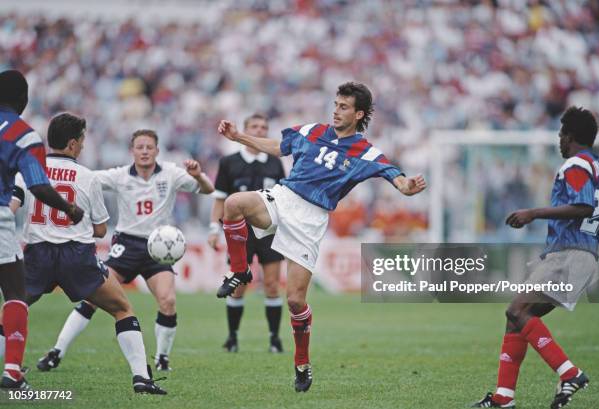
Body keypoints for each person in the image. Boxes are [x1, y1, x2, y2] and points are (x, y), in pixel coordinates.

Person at [215, 82, 427, 392]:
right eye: (336, 104)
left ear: (359, 114)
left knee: (295, 300)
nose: (336, 111)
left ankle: (302, 365)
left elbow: (395, 177)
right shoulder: (314, 130)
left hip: (311, 219)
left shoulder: (365, 152)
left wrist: (407, 186)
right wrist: (239, 137)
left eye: (343, 107)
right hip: (284, 196)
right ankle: (239, 270)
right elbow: (279, 146)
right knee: (234, 204)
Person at [11, 113, 166, 394]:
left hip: (37, 255)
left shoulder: (29, 169)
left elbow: (12, 207)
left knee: (12, 309)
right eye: (81, 140)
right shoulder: (88, 177)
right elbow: (100, 230)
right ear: (72, 144)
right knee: (122, 309)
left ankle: (11, 369)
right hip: (76, 256)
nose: (83, 145)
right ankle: (141, 378)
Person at [37, 128, 214, 372]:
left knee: (168, 300)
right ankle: (57, 351)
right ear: (132, 151)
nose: (144, 151)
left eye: (149, 147)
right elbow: (86, 179)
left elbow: (207, 189)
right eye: (139, 147)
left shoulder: (171, 173)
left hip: (158, 247)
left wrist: (199, 175)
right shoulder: (119, 176)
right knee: (92, 298)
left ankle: (162, 358)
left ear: (157, 150)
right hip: (126, 245)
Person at [473, 107, 599, 409]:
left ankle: (570, 372)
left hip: (568, 254)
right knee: (517, 317)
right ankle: (503, 397)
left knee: (517, 311)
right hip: (583, 255)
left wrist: (533, 213)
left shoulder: (575, 164)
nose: (559, 141)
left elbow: (584, 207)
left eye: (561, 135)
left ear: (569, 137)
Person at [0, 70, 84, 390]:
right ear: (23, 100)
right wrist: (70, 209)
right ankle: (12, 371)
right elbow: (38, 185)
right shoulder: (24, 135)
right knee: (15, 293)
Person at [208, 113, 286, 353]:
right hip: (240, 233)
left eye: (264, 127)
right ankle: (232, 338)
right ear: (245, 129)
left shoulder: (275, 161)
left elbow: (284, 198)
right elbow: (220, 198)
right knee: (239, 285)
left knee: (272, 284)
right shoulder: (229, 162)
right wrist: (213, 228)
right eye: (255, 126)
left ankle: (274, 338)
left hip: (270, 231)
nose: (260, 130)